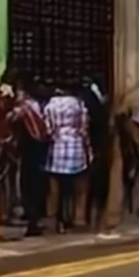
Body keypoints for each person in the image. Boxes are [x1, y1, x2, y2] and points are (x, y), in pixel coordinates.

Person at [43, 81, 90, 233]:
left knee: (54, 188)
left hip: (56, 148)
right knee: (80, 186)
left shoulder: (50, 105)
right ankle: (79, 218)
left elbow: (48, 129)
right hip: (75, 148)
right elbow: (84, 129)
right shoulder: (79, 105)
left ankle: (53, 221)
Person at [11, 74, 49, 236]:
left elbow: (10, 120)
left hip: (30, 149)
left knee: (28, 185)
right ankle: (37, 217)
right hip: (42, 148)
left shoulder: (24, 107)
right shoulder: (40, 106)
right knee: (38, 184)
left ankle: (34, 219)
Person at [81, 76, 109, 230]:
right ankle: (93, 218)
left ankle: (92, 217)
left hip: (96, 146)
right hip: (95, 146)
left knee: (96, 184)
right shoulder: (90, 100)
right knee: (96, 183)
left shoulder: (91, 99)